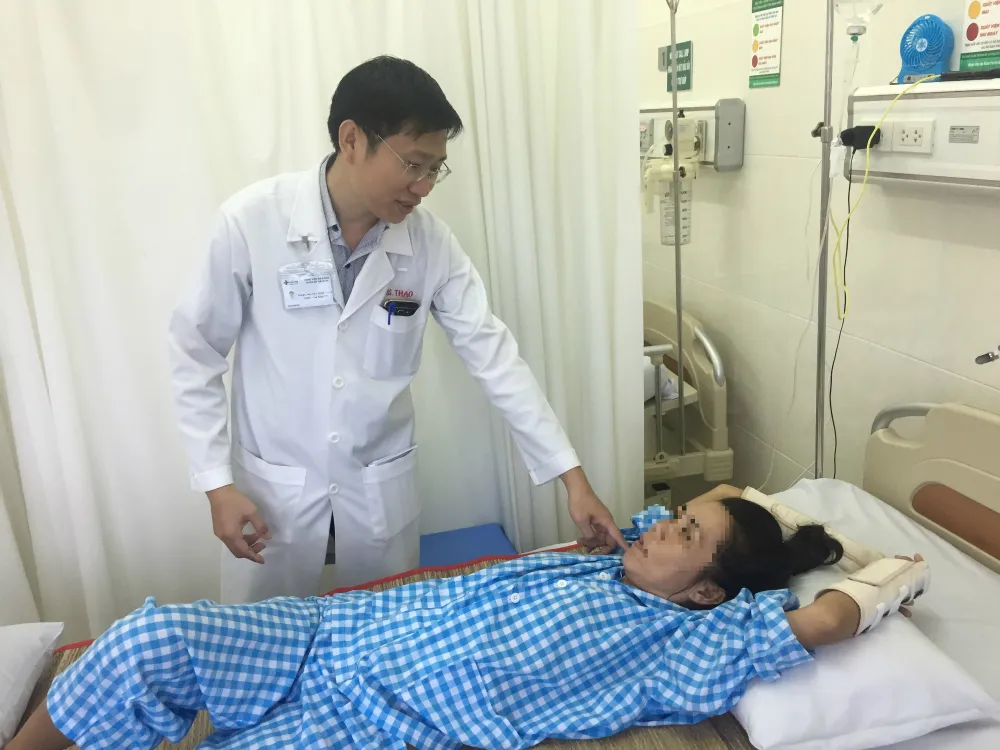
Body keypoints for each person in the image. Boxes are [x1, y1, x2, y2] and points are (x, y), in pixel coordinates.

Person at [167, 55, 626, 604]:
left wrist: (573, 480)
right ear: (352, 139)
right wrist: (216, 484)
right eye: (413, 164)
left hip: (375, 494)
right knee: (261, 639)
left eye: (436, 169)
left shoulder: (430, 245)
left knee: (386, 633)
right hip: (274, 492)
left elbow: (494, 357)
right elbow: (195, 353)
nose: (424, 187)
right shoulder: (251, 222)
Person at [11, 486, 929, 750]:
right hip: (327, 634)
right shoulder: (621, 555)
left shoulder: (690, 640)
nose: (662, 526)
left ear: (706, 593)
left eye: (685, 533)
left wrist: (881, 571)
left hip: (379, 721)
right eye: (676, 516)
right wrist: (797, 529)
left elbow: (829, 620)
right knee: (153, 638)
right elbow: (738, 499)